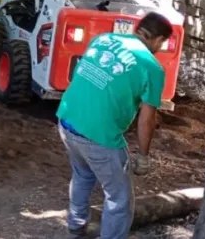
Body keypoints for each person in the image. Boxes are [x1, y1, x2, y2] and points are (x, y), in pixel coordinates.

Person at [55, 12, 172, 239]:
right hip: (99, 137)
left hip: (67, 120)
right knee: (120, 198)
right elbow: (146, 119)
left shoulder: (103, 39)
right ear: (158, 40)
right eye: (162, 43)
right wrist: (143, 157)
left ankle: (75, 227)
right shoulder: (152, 68)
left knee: (82, 174)